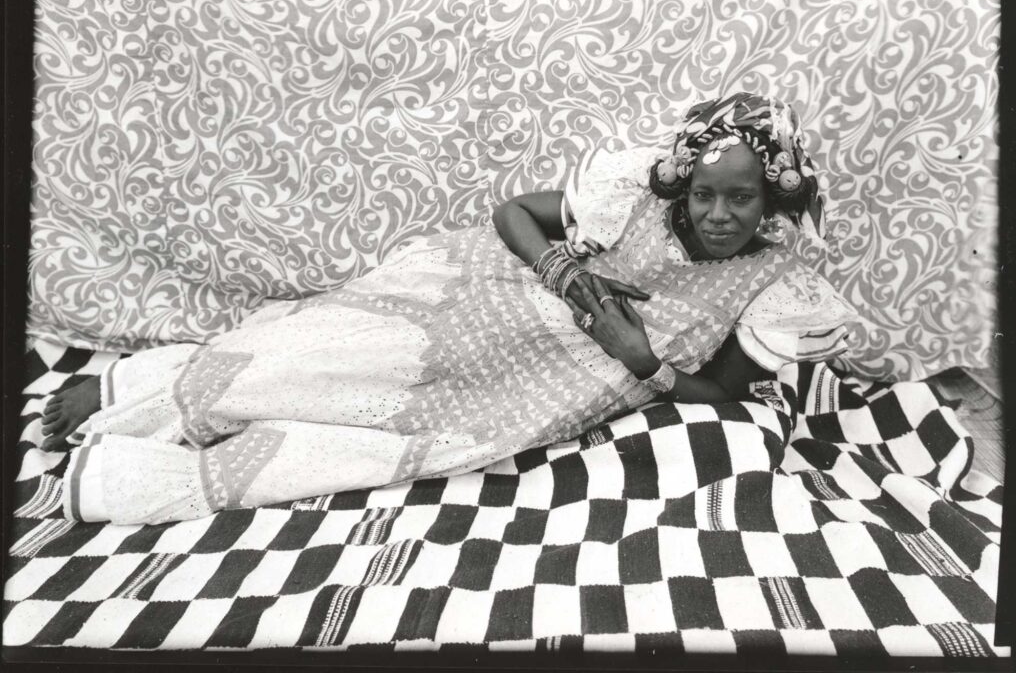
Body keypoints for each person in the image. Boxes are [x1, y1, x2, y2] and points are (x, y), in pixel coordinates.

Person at [41, 92, 858, 525]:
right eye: (707, 194)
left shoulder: (771, 282)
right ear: (684, 184)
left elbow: (722, 398)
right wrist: (571, 277)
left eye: (741, 200)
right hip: (487, 290)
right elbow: (515, 215)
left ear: (772, 200)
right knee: (325, 346)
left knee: (361, 432)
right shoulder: (640, 203)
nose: (719, 215)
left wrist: (641, 358)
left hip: (542, 384)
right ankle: (151, 394)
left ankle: (141, 468)